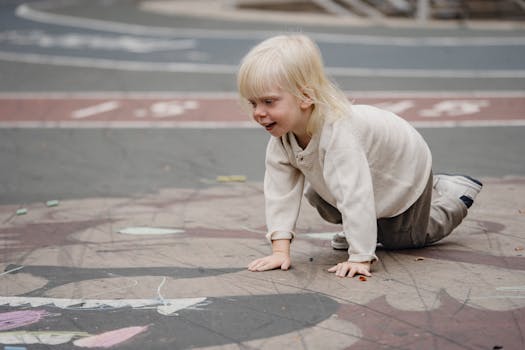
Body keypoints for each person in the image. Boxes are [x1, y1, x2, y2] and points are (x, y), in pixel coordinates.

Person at [237, 34, 482, 278]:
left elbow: (355, 195)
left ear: (305, 97)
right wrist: (280, 252)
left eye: (269, 102)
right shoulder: (282, 138)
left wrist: (360, 256)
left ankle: (456, 195)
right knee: (319, 194)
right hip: (369, 168)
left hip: (404, 169)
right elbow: (280, 193)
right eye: (253, 103)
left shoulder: (338, 134)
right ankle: (364, 229)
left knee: (403, 239)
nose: (259, 112)